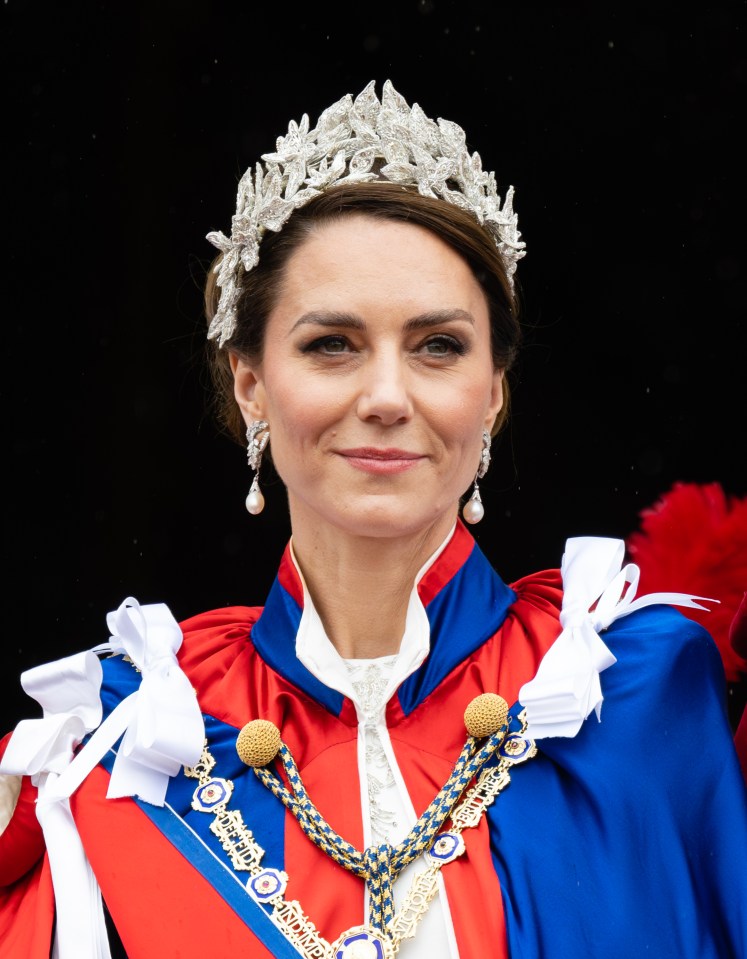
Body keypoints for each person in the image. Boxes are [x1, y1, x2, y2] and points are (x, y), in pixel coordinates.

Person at [1, 79, 746, 959]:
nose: (386, 396)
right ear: (251, 384)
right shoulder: (127, 740)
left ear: (494, 392)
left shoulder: (632, 692)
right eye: (331, 345)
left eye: (437, 346)